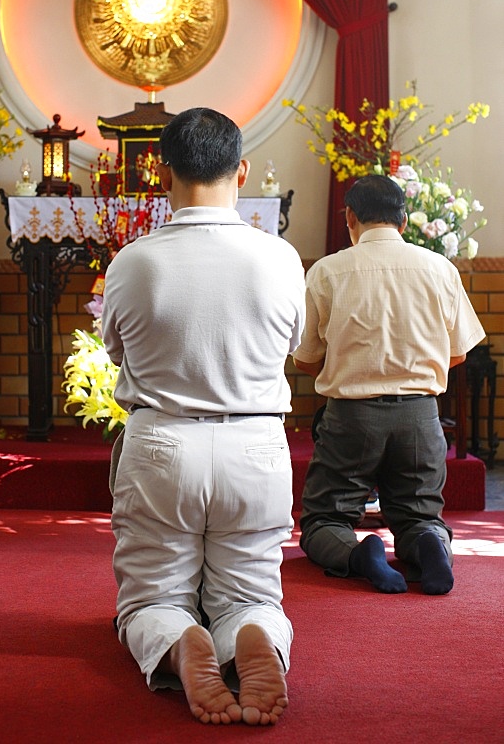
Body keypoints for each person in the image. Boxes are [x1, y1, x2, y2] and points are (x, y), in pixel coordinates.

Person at [102, 107, 305, 726]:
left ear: (161, 170)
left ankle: (175, 638)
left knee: (154, 593)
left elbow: (118, 351)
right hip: (256, 444)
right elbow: (292, 345)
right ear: (241, 170)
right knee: (249, 587)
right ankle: (250, 635)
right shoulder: (280, 258)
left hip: (162, 440)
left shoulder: (134, 261)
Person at [293, 174, 485, 596]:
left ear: (350, 217)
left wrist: (349, 367)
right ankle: (430, 546)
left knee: (325, 519)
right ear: (403, 221)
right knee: (420, 517)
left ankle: (360, 555)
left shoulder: (327, 271)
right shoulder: (439, 267)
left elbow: (305, 359)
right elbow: (458, 354)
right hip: (420, 415)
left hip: (351, 417)